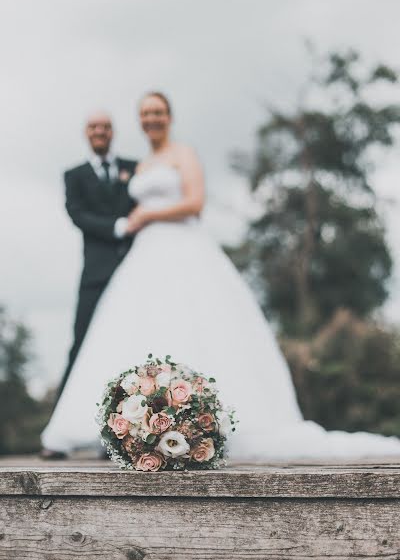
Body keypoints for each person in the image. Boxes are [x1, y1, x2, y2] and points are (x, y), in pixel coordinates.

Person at [41, 92, 400, 461]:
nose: (152, 118)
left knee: (200, 323)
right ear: (138, 120)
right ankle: (136, 424)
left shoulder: (183, 154)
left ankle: (195, 420)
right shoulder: (141, 165)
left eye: (159, 112)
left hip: (182, 245)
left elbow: (195, 202)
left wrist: (148, 216)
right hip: (142, 255)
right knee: (136, 327)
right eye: (146, 113)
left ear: (169, 115)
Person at [41, 113, 137, 459]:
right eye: (94, 127)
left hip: (133, 271)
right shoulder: (74, 175)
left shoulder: (134, 167)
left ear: (113, 132)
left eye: (106, 126)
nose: (100, 132)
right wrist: (119, 226)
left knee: (130, 346)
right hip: (95, 273)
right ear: (86, 134)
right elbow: (77, 215)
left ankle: (119, 432)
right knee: (81, 343)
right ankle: (58, 434)